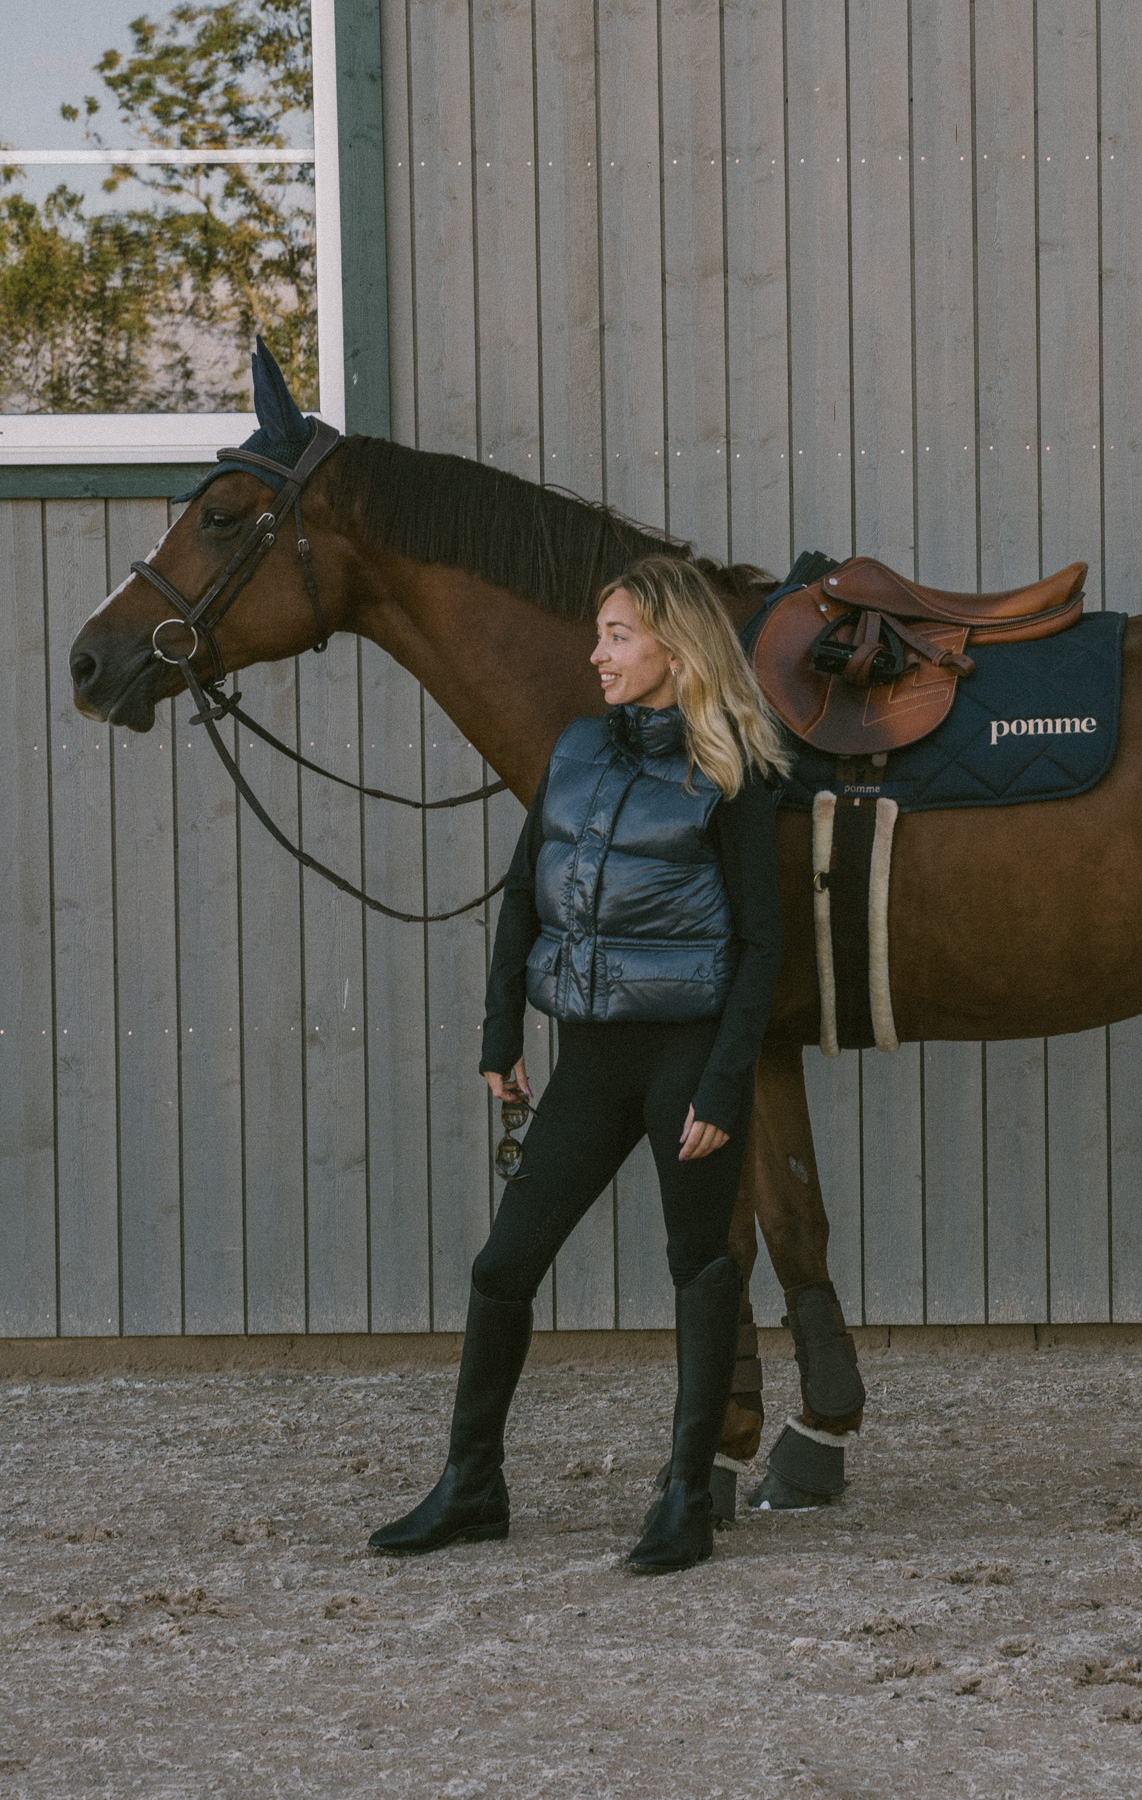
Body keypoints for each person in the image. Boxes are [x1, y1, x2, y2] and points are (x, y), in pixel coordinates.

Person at [369, 555, 790, 1573]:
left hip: (687, 1057)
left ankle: (686, 1496)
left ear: (674, 649)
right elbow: (525, 891)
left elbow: (761, 946)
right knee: (503, 1267)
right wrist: (500, 1031)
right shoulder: (577, 749)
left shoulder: (733, 770)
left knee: (699, 1267)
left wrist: (724, 1082)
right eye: (599, 634)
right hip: (592, 1058)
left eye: (617, 636)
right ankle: (473, 1486)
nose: (596, 654)